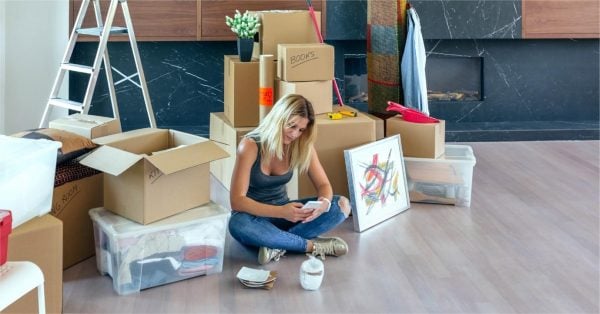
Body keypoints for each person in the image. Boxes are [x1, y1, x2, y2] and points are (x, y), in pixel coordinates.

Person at [228, 94, 351, 265]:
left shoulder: (302, 146)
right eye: (291, 126)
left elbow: (323, 185)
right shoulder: (250, 145)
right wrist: (281, 212)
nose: (295, 134)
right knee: (237, 224)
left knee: (341, 205)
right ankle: (311, 246)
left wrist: (324, 203)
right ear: (279, 119)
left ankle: (276, 244)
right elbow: (237, 201)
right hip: (253, 217)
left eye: (301, 130)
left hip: (287, 215)